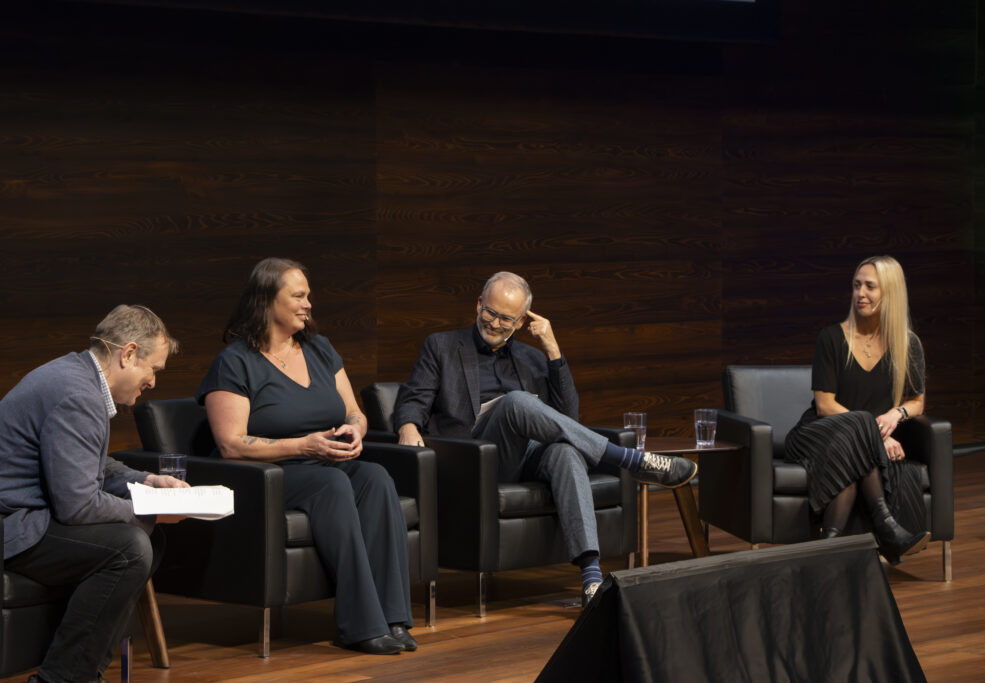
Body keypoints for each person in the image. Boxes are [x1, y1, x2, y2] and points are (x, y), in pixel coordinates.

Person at [394, 271, 697, 606]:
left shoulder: (532, 357)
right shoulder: (442, 346)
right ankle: (629, 460)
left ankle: (591, 580)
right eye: (489, 312)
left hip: (523, 457)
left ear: (523, 320)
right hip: (474, 459)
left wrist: (552, 349)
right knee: (518, 401)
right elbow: (412, 398)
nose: (494, 323)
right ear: (479, 304)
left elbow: (567, 419)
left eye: (506, 318)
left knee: (565, 452)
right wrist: (408, 426)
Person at [198, 257, 415, 655]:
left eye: (308, 295)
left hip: (324, 460)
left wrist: (355, 429)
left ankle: (394, 617)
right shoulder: (235, 362)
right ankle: (360, 624)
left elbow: (355, 410)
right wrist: (303, 445)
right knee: (331, 483)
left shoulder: (320, 349)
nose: (308, 303)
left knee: (377, 478)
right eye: (298, 295)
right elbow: (231, 443)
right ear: (267, 301)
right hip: (267, 474)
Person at [0, 304, 188, 683]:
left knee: (151, 539)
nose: (153, 382)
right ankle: (63, 678)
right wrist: (150, 511)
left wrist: (150, 482)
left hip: (35, 513)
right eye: (154, 369)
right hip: (15, 524)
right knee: (130, 547)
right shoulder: (76, 394)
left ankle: (82, 670)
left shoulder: (77, 377)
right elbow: (78, 504)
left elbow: (92, 465)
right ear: (129, 354)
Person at [784, 255, 930, 565]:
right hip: (817, 433)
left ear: (890, 293)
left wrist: (896, 415)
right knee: (859, 431)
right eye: (856, 286)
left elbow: (916, 401)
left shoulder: (908, 345)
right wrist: (875, 437)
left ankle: (828, 546)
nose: (860, 294)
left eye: (870, 287)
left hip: (849, 445)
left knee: (852, 454)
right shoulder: (832, 338)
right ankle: (887, 526)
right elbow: (825, 406)